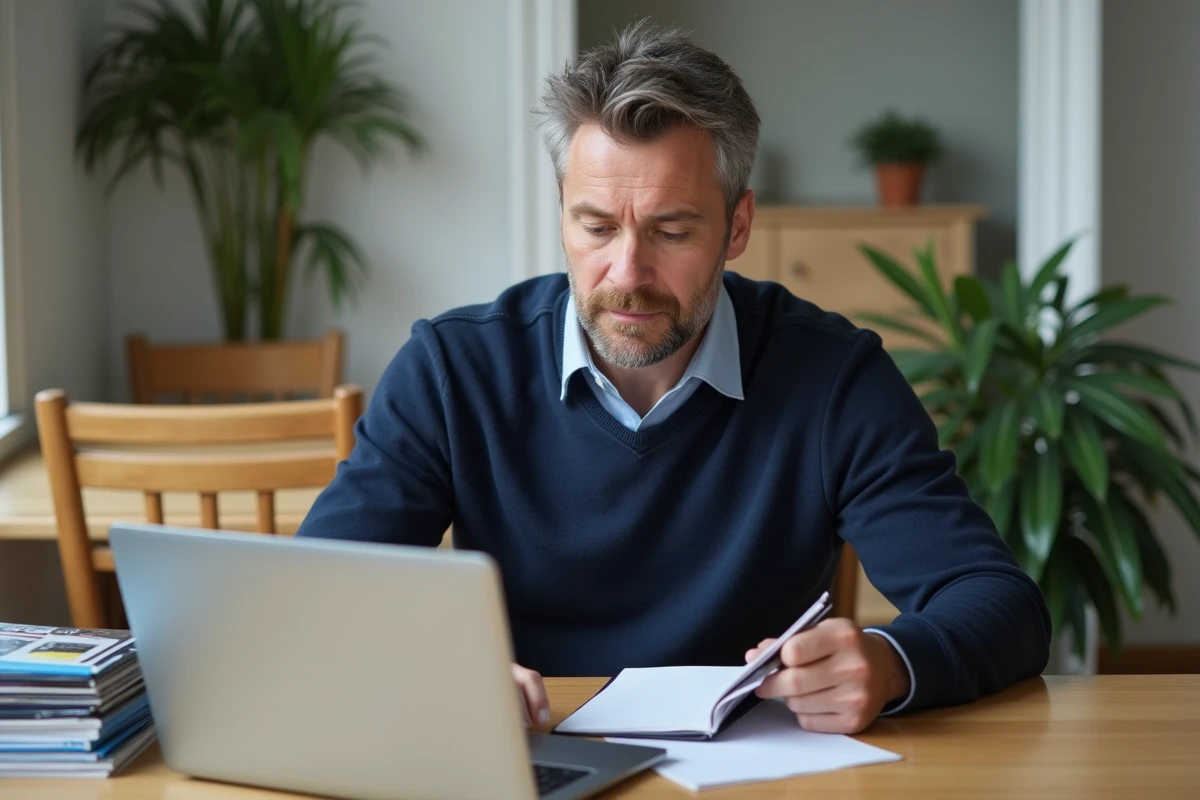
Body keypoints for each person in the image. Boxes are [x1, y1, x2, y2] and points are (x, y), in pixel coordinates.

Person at [296, 20, 1050, 735]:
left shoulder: (834, 378)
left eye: (671, 231)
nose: (627, 273)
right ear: (561, 214)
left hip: (756, 771)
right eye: (596, 227)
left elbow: (999, 602)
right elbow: (316, 600)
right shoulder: (452, 371)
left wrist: (890, 663)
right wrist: (435, 671)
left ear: (738, 227)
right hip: (532, 764)